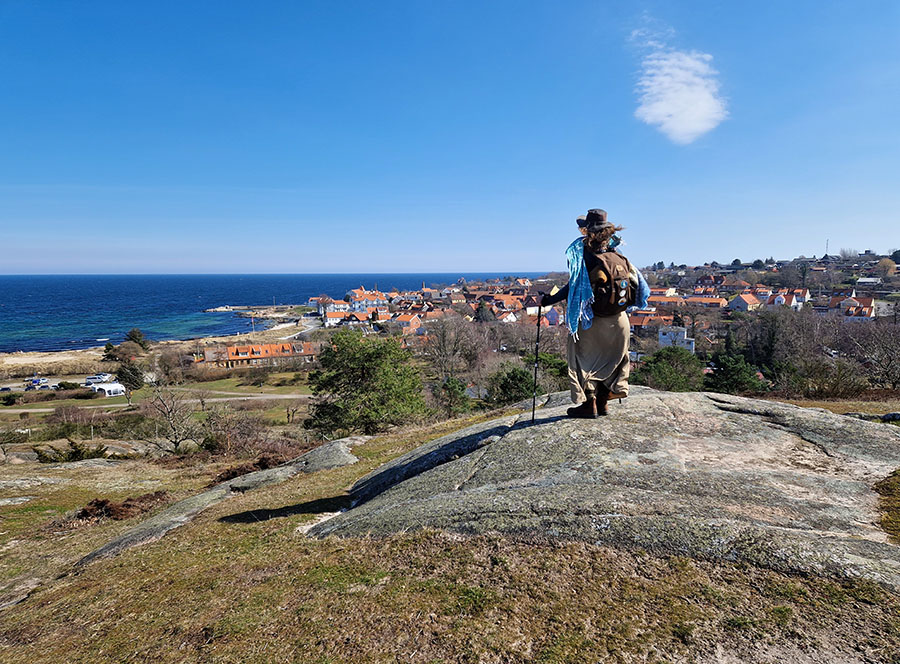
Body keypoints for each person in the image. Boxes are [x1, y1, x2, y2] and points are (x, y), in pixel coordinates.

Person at [540, 209, 649, 418]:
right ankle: (604, 403)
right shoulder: (618, 255)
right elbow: (640, 286)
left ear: (587, 231)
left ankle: (589, 405)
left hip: (592, 320)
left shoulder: (585, 256)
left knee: (584, 359)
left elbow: (573, 286)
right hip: (619, 319)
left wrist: (548, 300)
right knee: (613, 361)